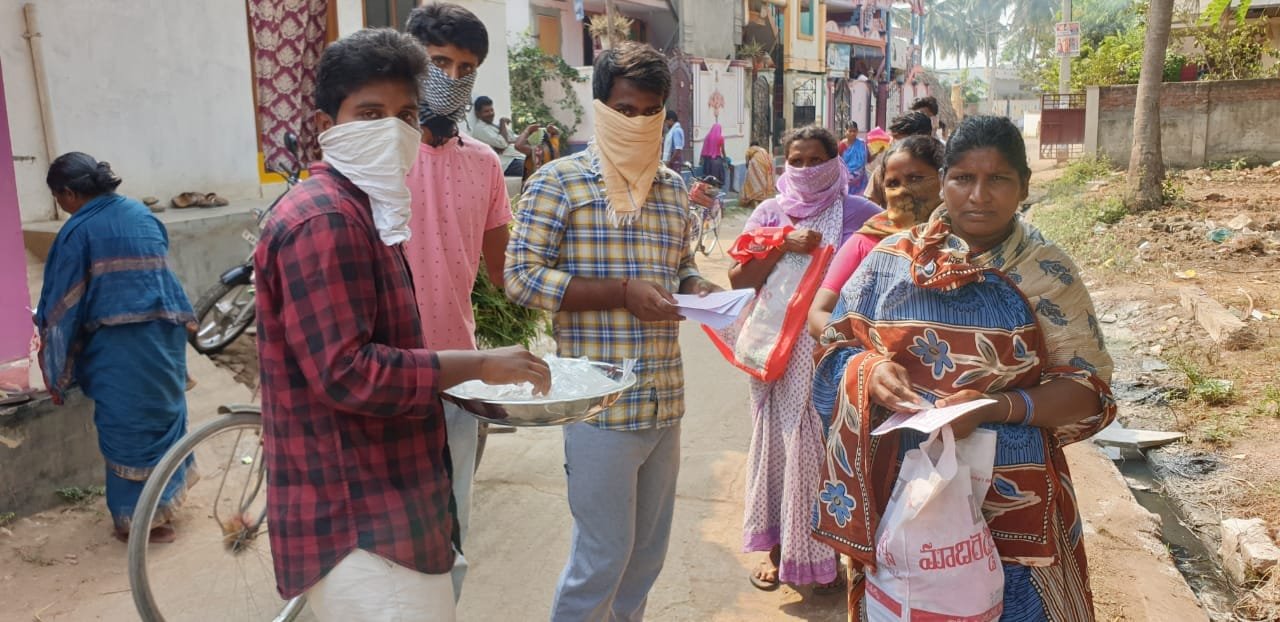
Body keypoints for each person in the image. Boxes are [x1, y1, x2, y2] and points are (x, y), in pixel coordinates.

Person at [254, 28, 550, 621]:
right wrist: (477, 364)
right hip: (359, 516)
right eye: (370, 113)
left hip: (393, 495)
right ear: (325, 124)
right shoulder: (326, 220)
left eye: (406, 114)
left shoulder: (370, 209)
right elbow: (347, 373)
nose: (392, 129)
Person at [809, 116, 1115, 620]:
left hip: (1015, 504)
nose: (978, 195)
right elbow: (835, 348)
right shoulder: (889, 260)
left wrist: (996, 405)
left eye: (998, 179)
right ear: (943, 181)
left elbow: (1089, 390)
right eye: (963, 179)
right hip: (904, 491)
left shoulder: (1047, 271)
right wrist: (868, 370)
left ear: (1024, 187)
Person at [506, 41, 720, 621]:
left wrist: (696, 286)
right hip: (598, 407)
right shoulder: (558, 183)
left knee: (645, 559)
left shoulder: (674, 189)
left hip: (663, 401)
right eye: (625, 108)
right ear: (600, 107)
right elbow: (520, 278)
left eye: (651, 111)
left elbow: (679, 265)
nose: (638, 121)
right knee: (601, 558)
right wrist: (621, 294)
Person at [727, 126, 878, 594]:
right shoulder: (770, 212)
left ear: (837, 162)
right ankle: (780, 550)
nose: (808, 170)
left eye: (818, 160)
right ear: (785, 163)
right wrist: (782, 245)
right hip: (777, 352)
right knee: (780, 446)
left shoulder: (859, 213)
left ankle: (828, 552)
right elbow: (738, 279)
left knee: (833, 451)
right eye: (798, 160)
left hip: (833, 351)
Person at [403, 2, 515, 600]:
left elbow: (505, 274)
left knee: (448, 531)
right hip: (377, 372)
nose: (450, 77)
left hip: (454, 375)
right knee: (371, 540)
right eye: (437, 62)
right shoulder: (374, 158)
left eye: (464, 67)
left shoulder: (485, 165)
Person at [35, 153, 194, 544]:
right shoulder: (140, 213)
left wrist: (57, 355)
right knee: (163, 416)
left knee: (127, 428)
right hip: (165, 334)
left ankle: (138, 522)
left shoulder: (77, 232)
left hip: (121, 346)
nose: (61, 206)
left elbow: (63, 303)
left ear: (70, 193)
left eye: (58, 197)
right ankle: (166, 501)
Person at [807, 135, 944, 339]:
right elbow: (818, 314)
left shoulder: (964, 240)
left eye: (915, 178)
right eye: (893, 183)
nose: (902, 191)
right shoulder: (868, 240)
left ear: (943, 179)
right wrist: (871, 351)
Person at [469, 94, 536, 177]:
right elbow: (503, 144)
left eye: (491, 110)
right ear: (477, 114)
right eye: (486, 111)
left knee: (537, 159)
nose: (491, 113)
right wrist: (502, 123)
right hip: (505, 163)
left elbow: (514, 139)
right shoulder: (480, 129)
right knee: (532, 168)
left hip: (515, 157)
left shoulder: (492, 126)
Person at [740, 141, 776, 209]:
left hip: (755, 164)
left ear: (751, 145)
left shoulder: (750, 149)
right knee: (762, 181)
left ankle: (754, 198)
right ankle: (762, 197)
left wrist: (748, 168)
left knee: (752, 181)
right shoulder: (763, 150)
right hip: (766, 166)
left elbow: (747, 162)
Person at [838, 123, 869, 195]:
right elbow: (837, 162)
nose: (852, 133)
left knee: (861, 202)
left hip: (861, 181)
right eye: (850, 131)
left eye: (854, 131)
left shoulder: (862, 144)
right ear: (846, 131)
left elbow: (869, 159)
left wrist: (877, 152)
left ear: (857, 131)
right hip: (846, 181)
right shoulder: (842, 145)